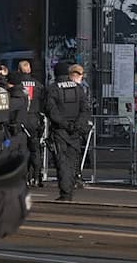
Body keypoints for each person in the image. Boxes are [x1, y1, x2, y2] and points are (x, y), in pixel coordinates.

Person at [44, 61, 90, 201]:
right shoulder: (78, 88)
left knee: (62, 162)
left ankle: (66, 193)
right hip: (75, 132)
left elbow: (52, 112)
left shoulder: (52, 89)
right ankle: (69, 189)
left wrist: (65, 125)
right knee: (72, 161)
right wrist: (77, 125)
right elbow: (85, 109)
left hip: (61, 131)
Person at [14, 60, 45, 187]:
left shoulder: (17, 84)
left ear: (18, 70)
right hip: (34, 118)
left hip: (21, 119)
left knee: (21, 149)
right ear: (30, 70)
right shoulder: (38, 85)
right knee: (35, 148)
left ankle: (24, 176)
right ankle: (37, 176)